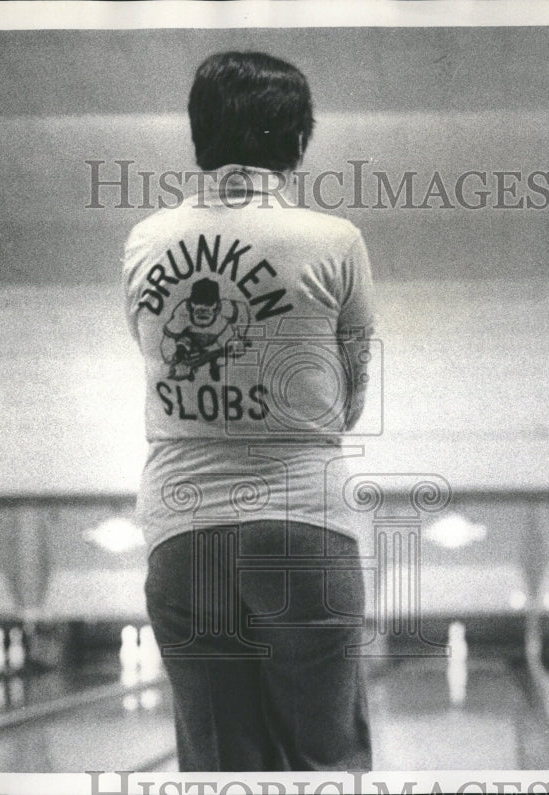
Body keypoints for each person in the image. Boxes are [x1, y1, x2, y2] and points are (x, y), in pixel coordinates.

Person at [122, 51, 375, 772]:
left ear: (198, 135)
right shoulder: (336, 241)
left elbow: (155, 357)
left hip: (181, 534)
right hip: (302, 526)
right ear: (298, 142)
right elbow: (351, 399)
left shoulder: (144, 241)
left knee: (219, 767)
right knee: (324, 762)